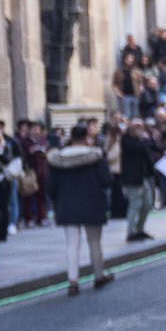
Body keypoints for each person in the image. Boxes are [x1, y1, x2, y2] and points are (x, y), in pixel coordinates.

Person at [48, 124, 114, 296]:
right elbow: (106, 180)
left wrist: (58, 200)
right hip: (92, 203)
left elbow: (51, 187)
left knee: (72, 244)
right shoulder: (96, 156)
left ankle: (73, 281)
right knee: (94, 242)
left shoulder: (58, 159)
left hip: (67, 204)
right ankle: (99, 275)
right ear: (86, 137)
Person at [119, 119, 157, 242]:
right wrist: (144, 139)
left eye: (141, 128)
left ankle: (139, 229)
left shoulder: (142, 141)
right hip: (132, 179)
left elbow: (151, 149)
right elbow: (139, 148)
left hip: (143, 177)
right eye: (136, 128)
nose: (139, 130)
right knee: (135, 205)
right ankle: (130, 232)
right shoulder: (126, 141)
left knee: (147, 204)